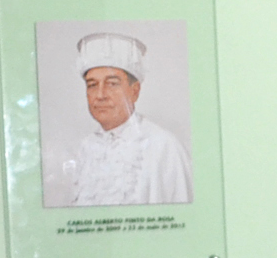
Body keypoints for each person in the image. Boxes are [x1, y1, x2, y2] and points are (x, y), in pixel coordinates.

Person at [68, 31, 192, 206]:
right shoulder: (86, 148)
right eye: (92, 85)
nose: (100, 95)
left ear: (135, 91)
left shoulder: (164, 147)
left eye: (112, 84)